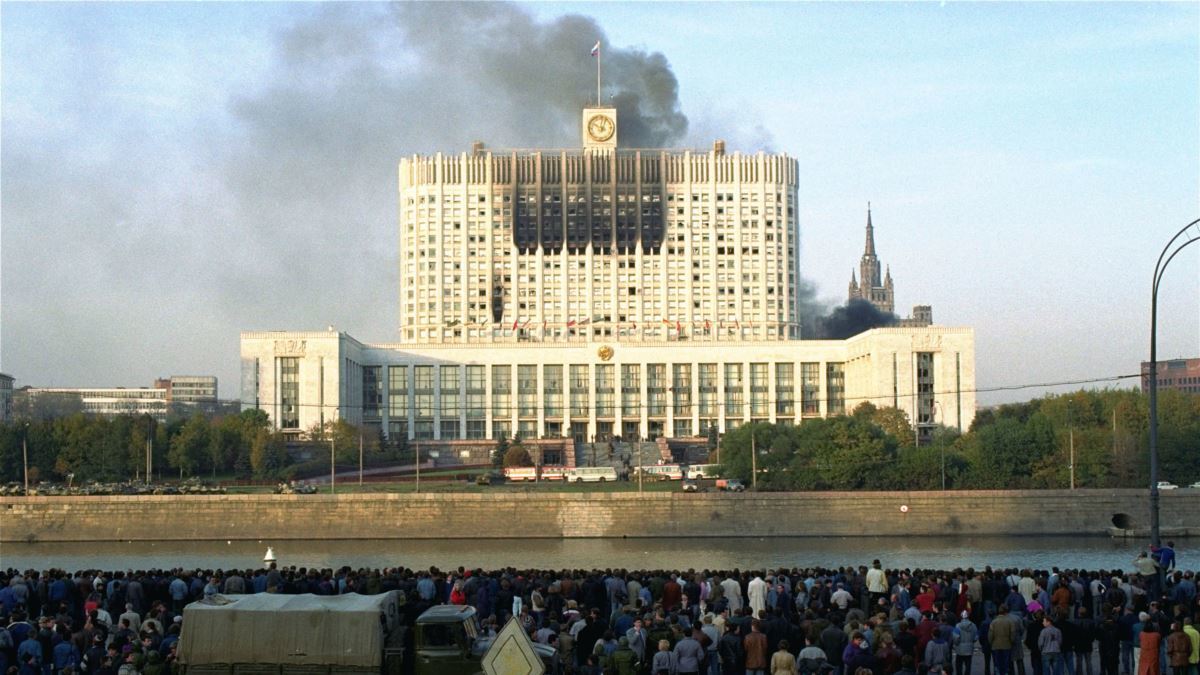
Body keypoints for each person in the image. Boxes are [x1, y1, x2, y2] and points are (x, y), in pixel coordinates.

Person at [955, 611, 979, 675]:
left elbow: (955, 637)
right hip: (969, 648)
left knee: (959, 665)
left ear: (961, 617)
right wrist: (971, 642)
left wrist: (956, 644)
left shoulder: (957, 626)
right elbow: (976, 637)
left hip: (959, 649)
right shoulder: (973, 625)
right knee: (968, 665)